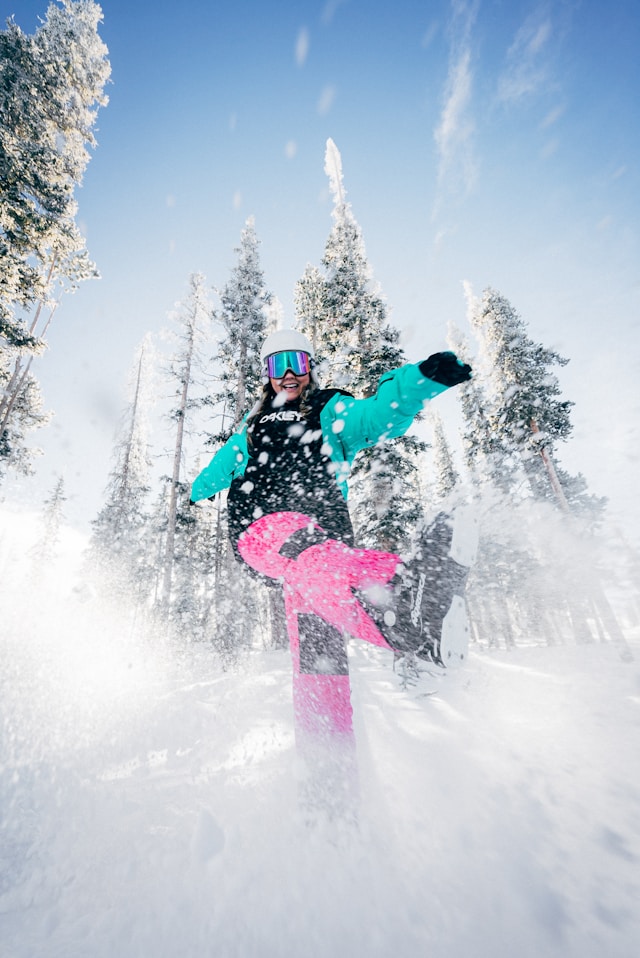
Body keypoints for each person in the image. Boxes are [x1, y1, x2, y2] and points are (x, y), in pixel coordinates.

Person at [190, 329, 475, 669]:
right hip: (261, 527)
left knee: (335, 599)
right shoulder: (253, 425)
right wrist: (197, 491)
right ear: (268, 374)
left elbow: (376, 415)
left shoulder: (329, 409)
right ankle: (408, 627)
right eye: (278, 366)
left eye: (296, 362)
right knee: (313, 557)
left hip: (326, 533)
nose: (289, 374)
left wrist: (420, 381)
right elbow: (223, 462)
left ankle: (422, 601)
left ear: (309, 366)